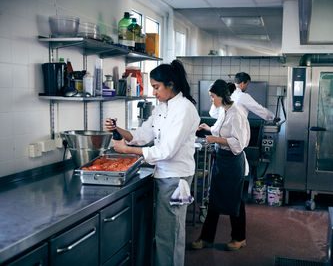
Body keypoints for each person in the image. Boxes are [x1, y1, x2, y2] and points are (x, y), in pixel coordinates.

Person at [104, 60, 200, 266]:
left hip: (175, 179)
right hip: (163, 176)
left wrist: (127, 150)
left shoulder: (184, 109)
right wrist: (117, 129)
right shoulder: (162, 108)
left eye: (156, 87)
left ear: (170, 84)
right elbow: (141, 135)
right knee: (163, 234)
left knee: (170, 237)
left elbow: (166, 151)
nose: (153, 92)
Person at [191, 79, 250, 251]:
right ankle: (206, 238)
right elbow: (221, 129)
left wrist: (215, 139)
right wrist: (209, 128)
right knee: (214, 198)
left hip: (232, 162)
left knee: (235, 200)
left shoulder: (236, 114)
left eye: (212, 96)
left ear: (221, 96)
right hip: (222, 161)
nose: (211, 99)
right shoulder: (224, 110)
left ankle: (239, 238)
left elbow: (238, 144)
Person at [209, 72, 278, 122]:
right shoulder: (242, 96)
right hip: (236, 131)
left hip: (221, 131)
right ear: (242, 84)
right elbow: (258, 109)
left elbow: (212, 113)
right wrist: (272, 117)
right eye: (247, 84)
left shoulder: (223, 92)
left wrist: (224, 119)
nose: (247, 87)